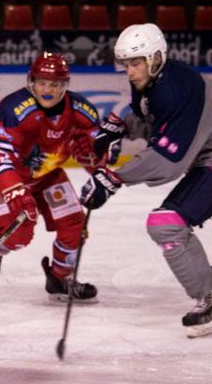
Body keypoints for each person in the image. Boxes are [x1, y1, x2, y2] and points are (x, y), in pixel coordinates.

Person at [79, 23, 212, 338]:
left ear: (155, 57)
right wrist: (118, 126)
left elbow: (168, 161)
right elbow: (148, 117)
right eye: (125, 63)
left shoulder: (177, 89)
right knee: (165, 223)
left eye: (135, 62)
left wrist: (112, 178)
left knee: (166, 223)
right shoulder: (156, 80)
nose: (130, 71)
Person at [0, 52, 101, 302]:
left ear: (64, 85)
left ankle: (59, 278)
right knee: (20, 234)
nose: (48, 90)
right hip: (6, 176)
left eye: (55, 84)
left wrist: (95, 160)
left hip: (48, 175)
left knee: (74, 225)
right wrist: (16, 192)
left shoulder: (81, 111)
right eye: (43, 83)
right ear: (31, 82)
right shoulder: (13, 110)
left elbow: (98, 149)